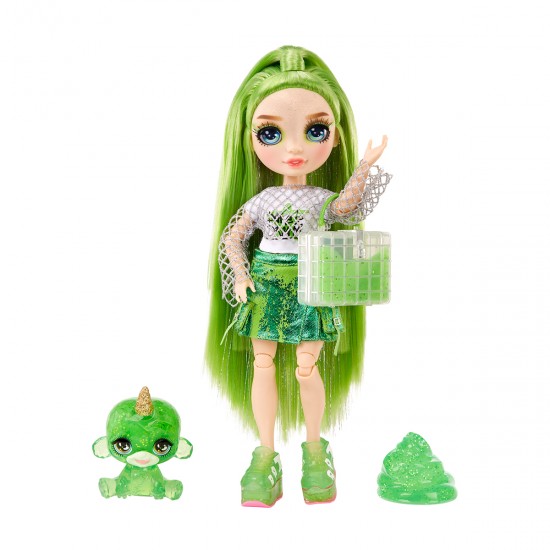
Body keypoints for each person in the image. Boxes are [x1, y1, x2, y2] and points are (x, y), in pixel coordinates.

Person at [205, 45, 392, 506]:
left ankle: (314, 450)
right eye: (271, 133)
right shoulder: (261, 200)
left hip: (312, 281)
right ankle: (265, 454)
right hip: (266, 283)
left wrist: (364, 167)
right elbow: (234, 238)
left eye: (315, 131)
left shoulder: (320, 200)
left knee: (307, 367)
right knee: (262, 363)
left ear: (335, 137)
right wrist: (240, 275)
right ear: (248, 139)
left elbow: (346, 208)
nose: (294, 148)